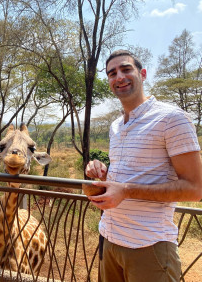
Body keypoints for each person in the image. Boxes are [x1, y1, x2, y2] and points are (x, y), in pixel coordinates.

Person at [85, 50, 202, 282]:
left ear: (143, 74)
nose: (119, 77)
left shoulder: (172, 118)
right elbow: (129, 171)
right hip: (109, 239)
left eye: (126, 69)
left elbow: (195, 189)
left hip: (149, 246)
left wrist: (127, 190)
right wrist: (102, 170)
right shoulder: (116, 126)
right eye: (112, 73)